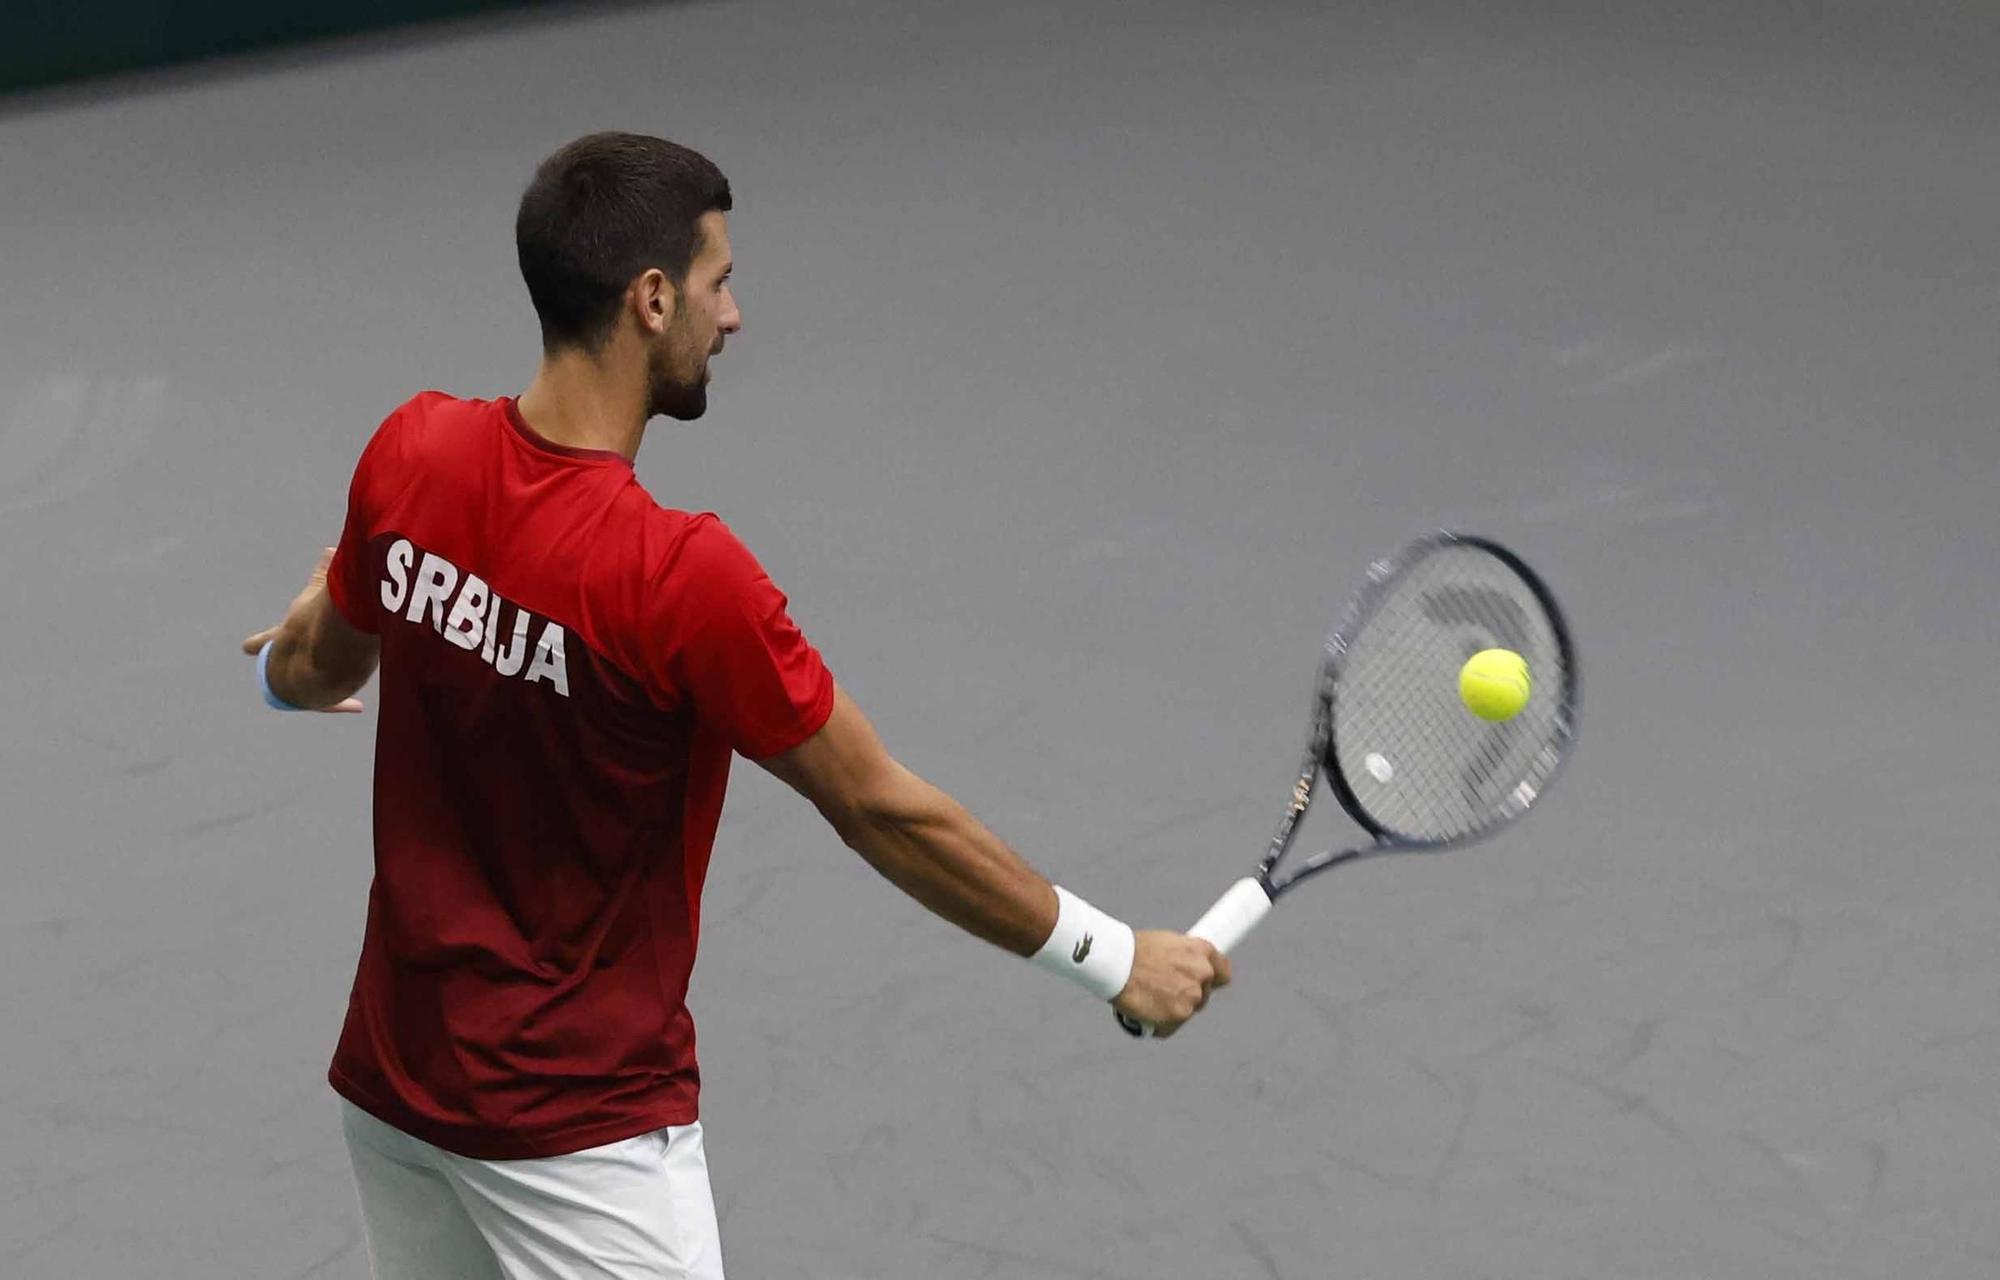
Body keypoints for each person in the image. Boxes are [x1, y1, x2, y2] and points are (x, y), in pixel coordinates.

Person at [239, 131, 1229, 1280]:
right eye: (718, 281)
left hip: (395, 1097)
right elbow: (880, 809)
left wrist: (283, 663)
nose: (735, 314)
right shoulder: (680, 577)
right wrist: (1115, 957)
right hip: (580, 1144)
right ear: (651, 300)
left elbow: (313, 664)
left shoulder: (409, 453)